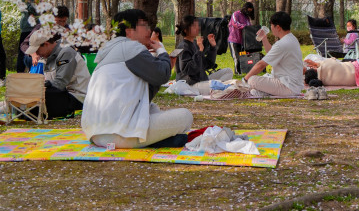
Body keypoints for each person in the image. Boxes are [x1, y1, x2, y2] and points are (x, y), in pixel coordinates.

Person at [82, 9, 192, 149]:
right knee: (185, 116)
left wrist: (157, 69)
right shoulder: (130, 48)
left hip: (97, 135)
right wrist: (161, 51)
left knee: (152, 108)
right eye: (144, 26)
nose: (149, 30)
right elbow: (163, 74)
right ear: (129, 31)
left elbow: (148, 92)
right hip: (121, 134)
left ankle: (163, 140)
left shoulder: (109, 50)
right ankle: (162, 140)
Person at [26, 26, 90, 119]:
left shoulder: (66, 52)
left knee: (35, 101)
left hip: (76, 97)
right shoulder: (46, 56)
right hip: (60, 94)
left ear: (46, 44)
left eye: (37, 50)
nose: (37, 54)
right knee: (30, 96)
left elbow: (60, 83)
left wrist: (41, 85)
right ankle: (5, 107)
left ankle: (12, 109)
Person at [243, 11, 304, 97]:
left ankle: (255, 89)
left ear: (278, 27)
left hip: (287, 86)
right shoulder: (292, 39)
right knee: (256, 88)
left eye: (271, 25)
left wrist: (244, 80)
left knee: (252, 80)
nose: (270, 28)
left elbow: (261, 65)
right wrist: (264, 38)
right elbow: (271, 53)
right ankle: (261, 93)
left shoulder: (282, 44)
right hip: (293, 86)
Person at [175, 15, 220, 87]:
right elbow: (189, 70)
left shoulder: (195, 44)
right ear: (185, 30)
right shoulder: (183, 47)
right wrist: (199, 51)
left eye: (198, 25)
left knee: (228, 71)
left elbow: (208, 64)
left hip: (201, 79)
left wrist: (213, 47)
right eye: (194, 26)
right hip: (190, 83)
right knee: (220, 86)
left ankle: (214, 85)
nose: (198, 28)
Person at [17, 0, 46, 72]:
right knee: (23, 51)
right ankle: (20, 74)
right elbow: (29, 10)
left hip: (38, 27)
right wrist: (37, 1)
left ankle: (34, 71)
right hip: (27, 27)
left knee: (38, 51)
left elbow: (41, 11)